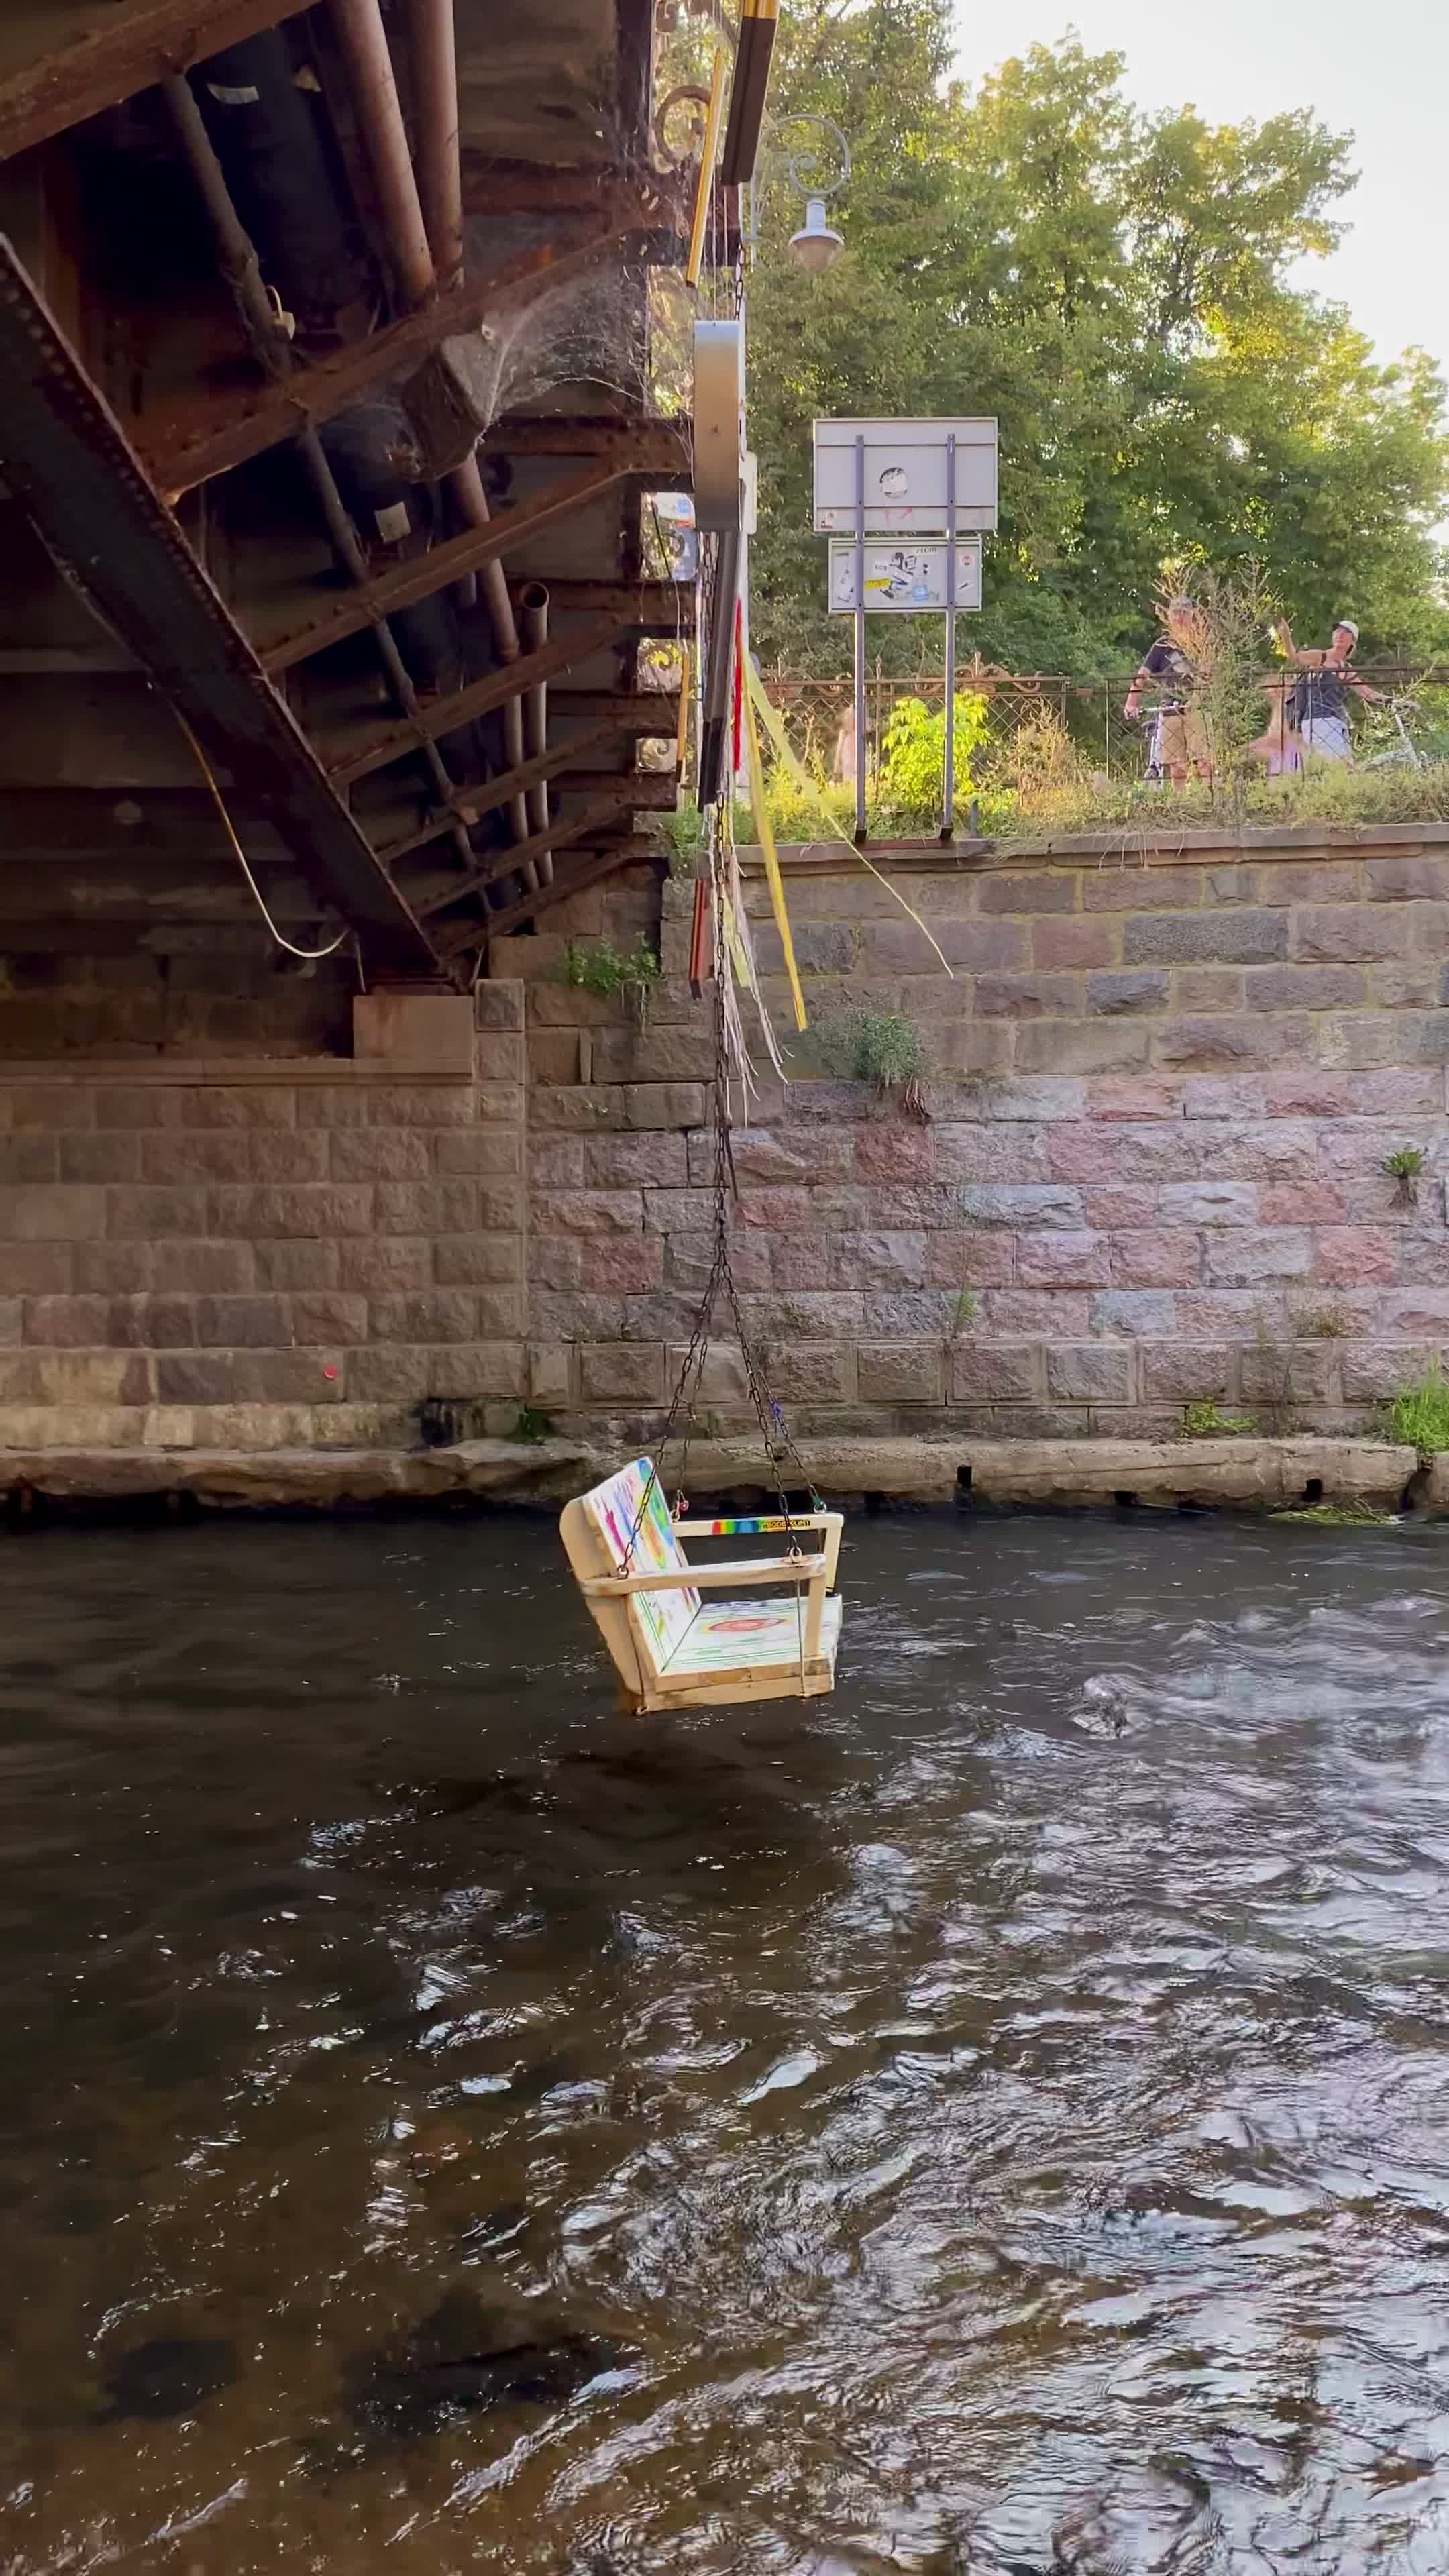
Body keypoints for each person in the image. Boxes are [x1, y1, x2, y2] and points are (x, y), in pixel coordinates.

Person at [1124, 597, 1210, 788]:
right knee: (1176, 768)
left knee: (1204, 763)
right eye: (1176, 613)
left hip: (1197, 709)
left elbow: (1210, 673)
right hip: (1170, 710)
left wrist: (1199, 695)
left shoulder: (1201, 642)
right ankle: (1179, 808)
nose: (1180, 617)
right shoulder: (1162, 645)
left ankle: (1210, 805)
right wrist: (1131, 703)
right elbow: (1143, 676)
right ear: (1169, 617)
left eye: (1185, 613)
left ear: (1192, 616)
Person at [1274, 616, 1383, 765]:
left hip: (1337, 724)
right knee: (1342, 768)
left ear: (1353, 642)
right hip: (1318, 721)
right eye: (1337, 632)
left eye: (1346, 633)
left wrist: (1395, 701)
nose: (1340, 635)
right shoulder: (1321, 657)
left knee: (1345, 769)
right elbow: (1294, 658)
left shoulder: (1346, 669)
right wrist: (1286, 636)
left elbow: (1369, 694)